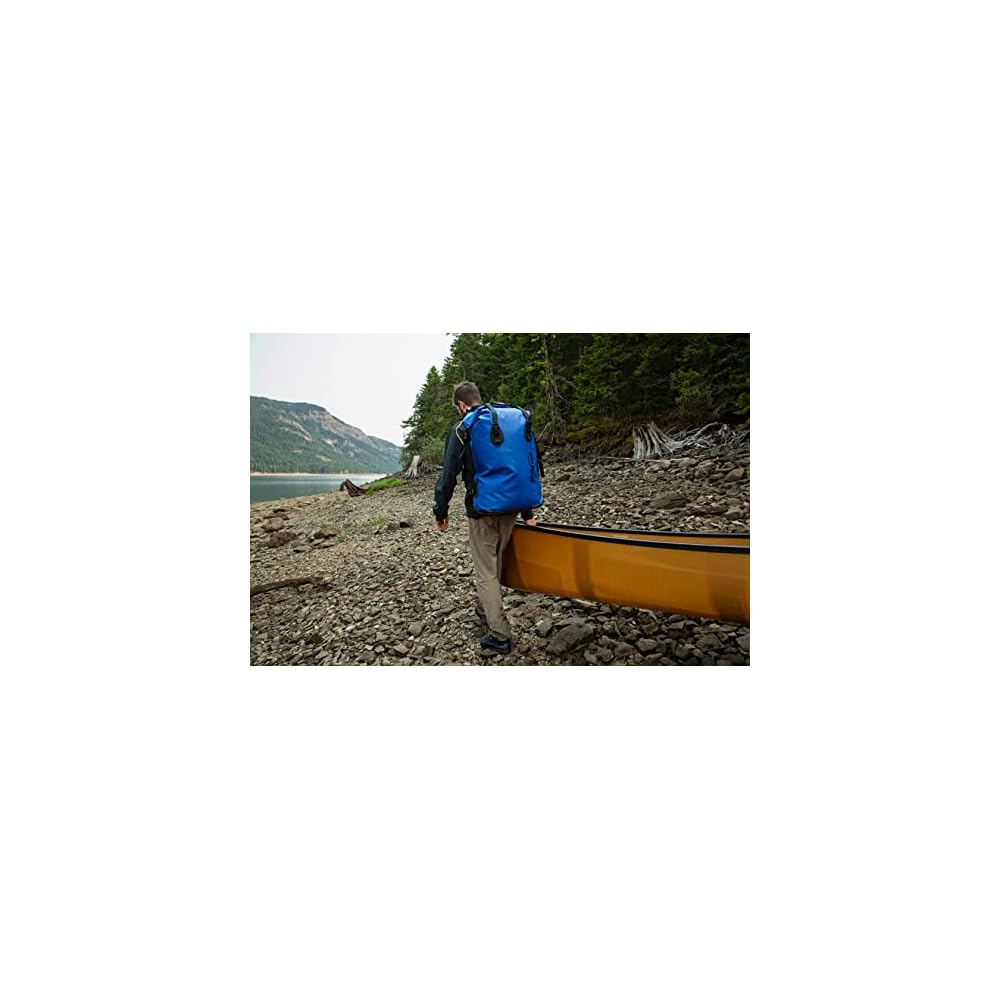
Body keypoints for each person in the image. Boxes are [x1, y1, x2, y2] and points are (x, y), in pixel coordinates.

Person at [433, 381, 542, 655]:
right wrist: (528, 512)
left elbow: (449, 475)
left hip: (483, 510)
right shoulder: (506, 420)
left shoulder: (464, 427)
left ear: (461, 404)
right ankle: (484, 609)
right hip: (513, 506)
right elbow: (518, 465)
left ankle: (500, 635)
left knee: (486, 572)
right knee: (496, 561)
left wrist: (440, 511)